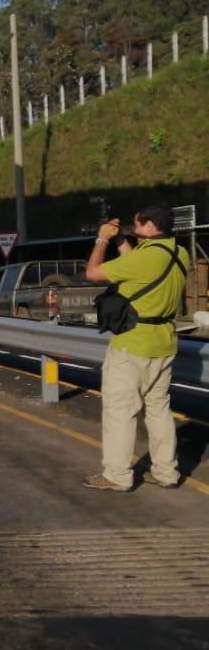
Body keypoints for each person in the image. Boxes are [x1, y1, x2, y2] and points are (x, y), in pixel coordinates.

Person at [82, 203, 189, 491]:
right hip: (164, 342)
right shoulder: (179, 253)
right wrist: (121, 241)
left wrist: (102, 239)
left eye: (138, 226)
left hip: (132, 342)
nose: (135, 230)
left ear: (151, 228)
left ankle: (117, 476)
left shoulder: (145, 259)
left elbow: (92, 273)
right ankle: (167, 473)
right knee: (158, 409)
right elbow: (140, 267)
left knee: (120, 410)